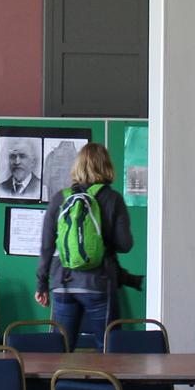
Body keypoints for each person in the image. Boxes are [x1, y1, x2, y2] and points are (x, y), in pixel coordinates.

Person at [34, 142, 133, 348]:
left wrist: (42, 284)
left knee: (60, 349)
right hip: (99, 283)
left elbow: (46, 246)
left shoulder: (60, 198)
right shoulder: (112, 199)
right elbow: (125, 244)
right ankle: (106, 381)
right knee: (108, 349)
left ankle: (57, 381)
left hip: (63, 282)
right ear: (106, 166)